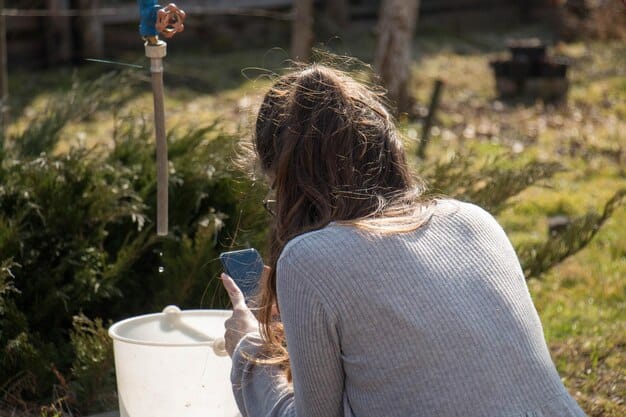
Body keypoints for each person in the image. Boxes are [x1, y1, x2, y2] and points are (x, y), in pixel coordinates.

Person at [220, 64, 587, 417]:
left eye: (275, 195)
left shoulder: (307, 259)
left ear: (291, 185)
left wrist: (249, 352)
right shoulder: (474, 219)